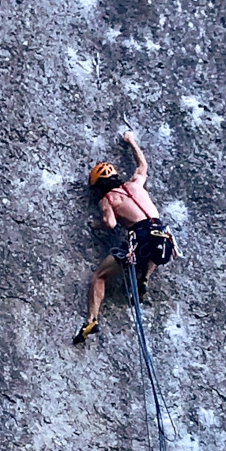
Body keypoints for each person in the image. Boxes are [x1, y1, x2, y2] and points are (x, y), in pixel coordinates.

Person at [73, 130, 175, 344]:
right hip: (163, 234)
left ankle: (91, 319)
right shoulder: (135, 184)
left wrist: (95, 224)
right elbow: (142, 166)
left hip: (140, 237)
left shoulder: (108, 199)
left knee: (99, 277)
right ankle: (144, 279)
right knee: (153, 248)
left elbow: (110, 224)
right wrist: (131, 141)